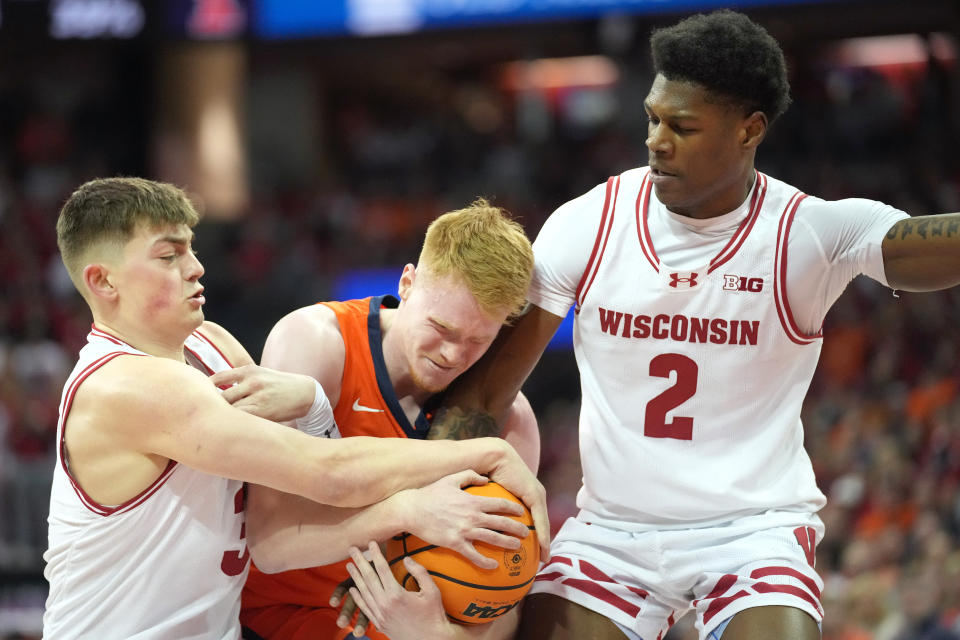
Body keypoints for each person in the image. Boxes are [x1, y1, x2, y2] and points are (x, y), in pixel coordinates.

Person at [345, 9, 960, 640]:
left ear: (750, 130)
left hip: (753, 529)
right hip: (615, 531)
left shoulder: (806, 233)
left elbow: (917, 245)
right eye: (652, 118)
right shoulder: (590, 222)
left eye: (683, 126)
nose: (656, 141)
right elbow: (481, 399)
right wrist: (407, 526)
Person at [43, 177, 548, 639]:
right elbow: (326, 474)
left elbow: (301, 463)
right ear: (104, 282)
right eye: (168, 256)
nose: (196, 267)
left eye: (191, 249)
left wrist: (314, 412)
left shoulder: (215, 347)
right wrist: (471, 465)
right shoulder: (126, 388)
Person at [230, 199, 542, 640]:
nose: (453, 353)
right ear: (408, 282)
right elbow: (270, 545)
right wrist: (406, 513)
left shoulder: (513, 423)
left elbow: (506, 597)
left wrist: (441, 635)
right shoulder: (317, 343)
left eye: (478, 339)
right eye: (443, 328)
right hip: (272, 619)